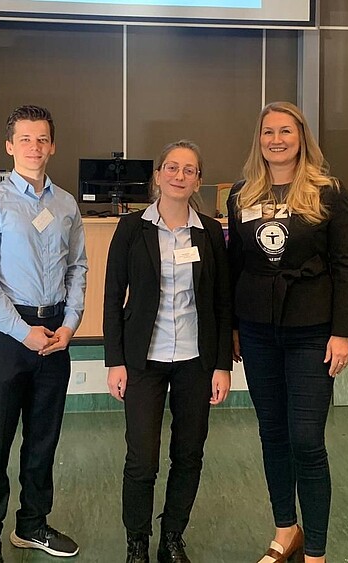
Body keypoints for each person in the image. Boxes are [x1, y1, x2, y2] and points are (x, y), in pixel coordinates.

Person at [227, 102, 348, 563]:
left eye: (285, 131)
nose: (276, 140)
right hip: (258, 331)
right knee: (272, 432)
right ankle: (286, 530)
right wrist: (234, 328)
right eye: (268, 132)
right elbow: (235, 265)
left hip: (312, 332)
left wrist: (342, 332)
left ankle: (316, 551)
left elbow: (345, 265)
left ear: (301, 137)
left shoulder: (328, 192)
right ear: (258, 140)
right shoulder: (241, 194)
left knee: (306, 438)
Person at [0, 105, 88, 563]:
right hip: (8, 332)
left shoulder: (66, 204)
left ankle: (32, 525)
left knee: (43, 440)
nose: (34, 147)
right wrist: (22, 332)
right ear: (9, 146)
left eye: (41, 139)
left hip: (55, 330)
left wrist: (70, 324)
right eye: (25, 139)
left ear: (52, 145)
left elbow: (78, 267)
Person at [103, 140, 233, 563]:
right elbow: (112, 297)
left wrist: (222, 365)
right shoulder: (131, 228)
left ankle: (172, 537)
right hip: (144, 360)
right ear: (158, 175)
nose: (179, 176)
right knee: (142, 459)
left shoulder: (209, 232)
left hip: (196, 360)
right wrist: (115, 360)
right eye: (172, 168)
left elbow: (222, 302)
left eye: (189, 170)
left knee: (189, 454)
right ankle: (137, 541)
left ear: (198, 180)